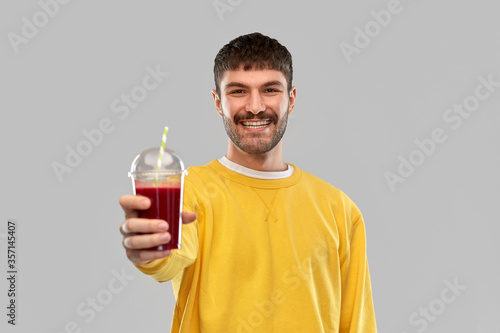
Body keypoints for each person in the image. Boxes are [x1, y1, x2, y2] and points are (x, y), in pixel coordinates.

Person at [119, 32, 377, 332]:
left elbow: (357, 323)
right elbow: (168, 258)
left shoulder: (340, 209)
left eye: (269, 89)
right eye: (238, 91)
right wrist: (152, 251)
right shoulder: (188, 192)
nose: (255, 106)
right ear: (218, 102)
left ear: (290, 99)